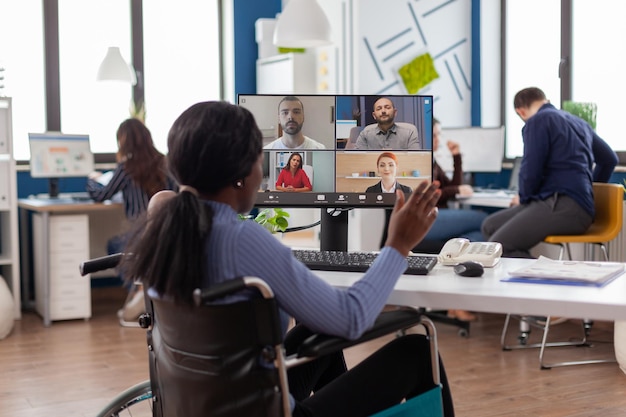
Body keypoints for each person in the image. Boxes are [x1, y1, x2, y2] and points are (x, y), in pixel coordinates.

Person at [121, 101, 454, 417]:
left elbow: (164, 201)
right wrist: (398, 245)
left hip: (203, 403)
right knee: (416, 349)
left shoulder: (164, 230)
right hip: (262, 411)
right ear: (242, 174)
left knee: (316, 328)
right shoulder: (242, 239)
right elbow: (352, 317)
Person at [481, 87, 618, 258]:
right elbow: (609, 159)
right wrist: (591, 190)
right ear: (545, 100)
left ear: (520, 111)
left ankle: (545, 281)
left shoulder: (537, 121)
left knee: (501, 247)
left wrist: (523, 197)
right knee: (490, 225)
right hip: (569, 204)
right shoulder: (579, 122)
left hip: (564, 206)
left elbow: (531, 169)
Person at [86, 118, 178, 322]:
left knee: (114, 245)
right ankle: (146, 290)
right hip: (168, 234)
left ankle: (139, 290)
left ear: (123, 142)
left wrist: (91, 180)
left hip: (140, 236)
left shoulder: (126, 168)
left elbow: (102, 195)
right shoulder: (166, 162)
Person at [429, 118, 489, 322]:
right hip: (427, 220)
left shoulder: (433, 161)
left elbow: (453, 186)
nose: (438, 139)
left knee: (474, 238)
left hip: (440, 217)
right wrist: (456, 190)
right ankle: (455, 302)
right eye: (434, 134)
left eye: (439, 134)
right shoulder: (417, 159)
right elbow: (431, 193)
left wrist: (456, 157)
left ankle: (456, 303)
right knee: (483, 220)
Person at [355, 97, 420, 150]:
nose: (383, 111)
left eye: (387, 107)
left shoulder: (409, 133)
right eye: (379, 108)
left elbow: (416, 159)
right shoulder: (365, 134)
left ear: (395, 112)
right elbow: (358, 159)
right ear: (374, 115)